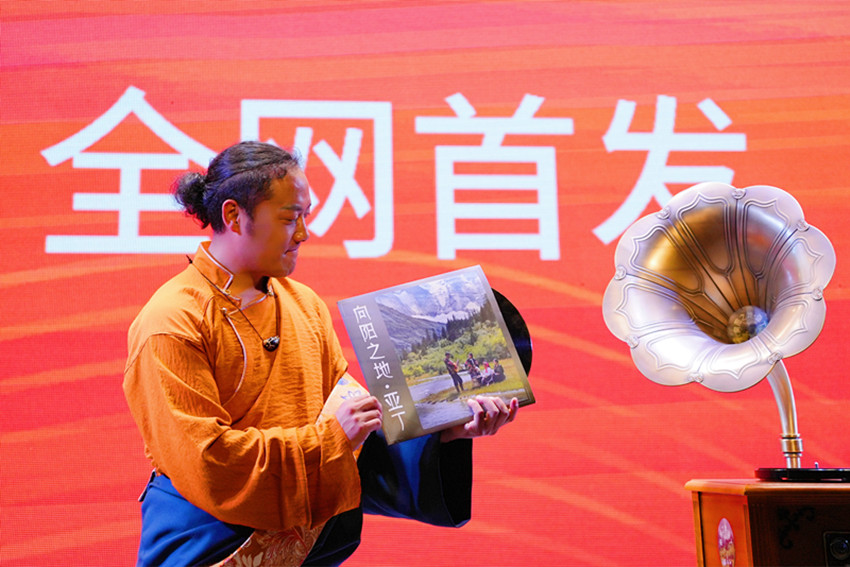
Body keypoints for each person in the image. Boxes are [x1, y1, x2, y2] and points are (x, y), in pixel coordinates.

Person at [123, 141, 518, 567]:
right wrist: (330, 439)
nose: (303, 233)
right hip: (210, 544)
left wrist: (445, 429)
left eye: (305, 216)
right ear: (234, 216)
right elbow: (206, 462)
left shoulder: (304, 305)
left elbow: (352, 430)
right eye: (289, 218)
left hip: (306, 549)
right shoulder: (171, 321)